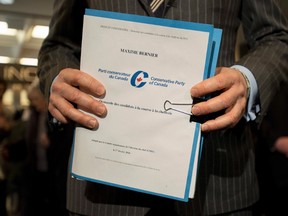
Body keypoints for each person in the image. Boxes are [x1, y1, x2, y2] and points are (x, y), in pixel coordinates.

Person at [37, 1, 288, 215]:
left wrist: (247, 79)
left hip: (215, 182)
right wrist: (56, 80)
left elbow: (276, 37)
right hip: (103, 187)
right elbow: (57, 45)